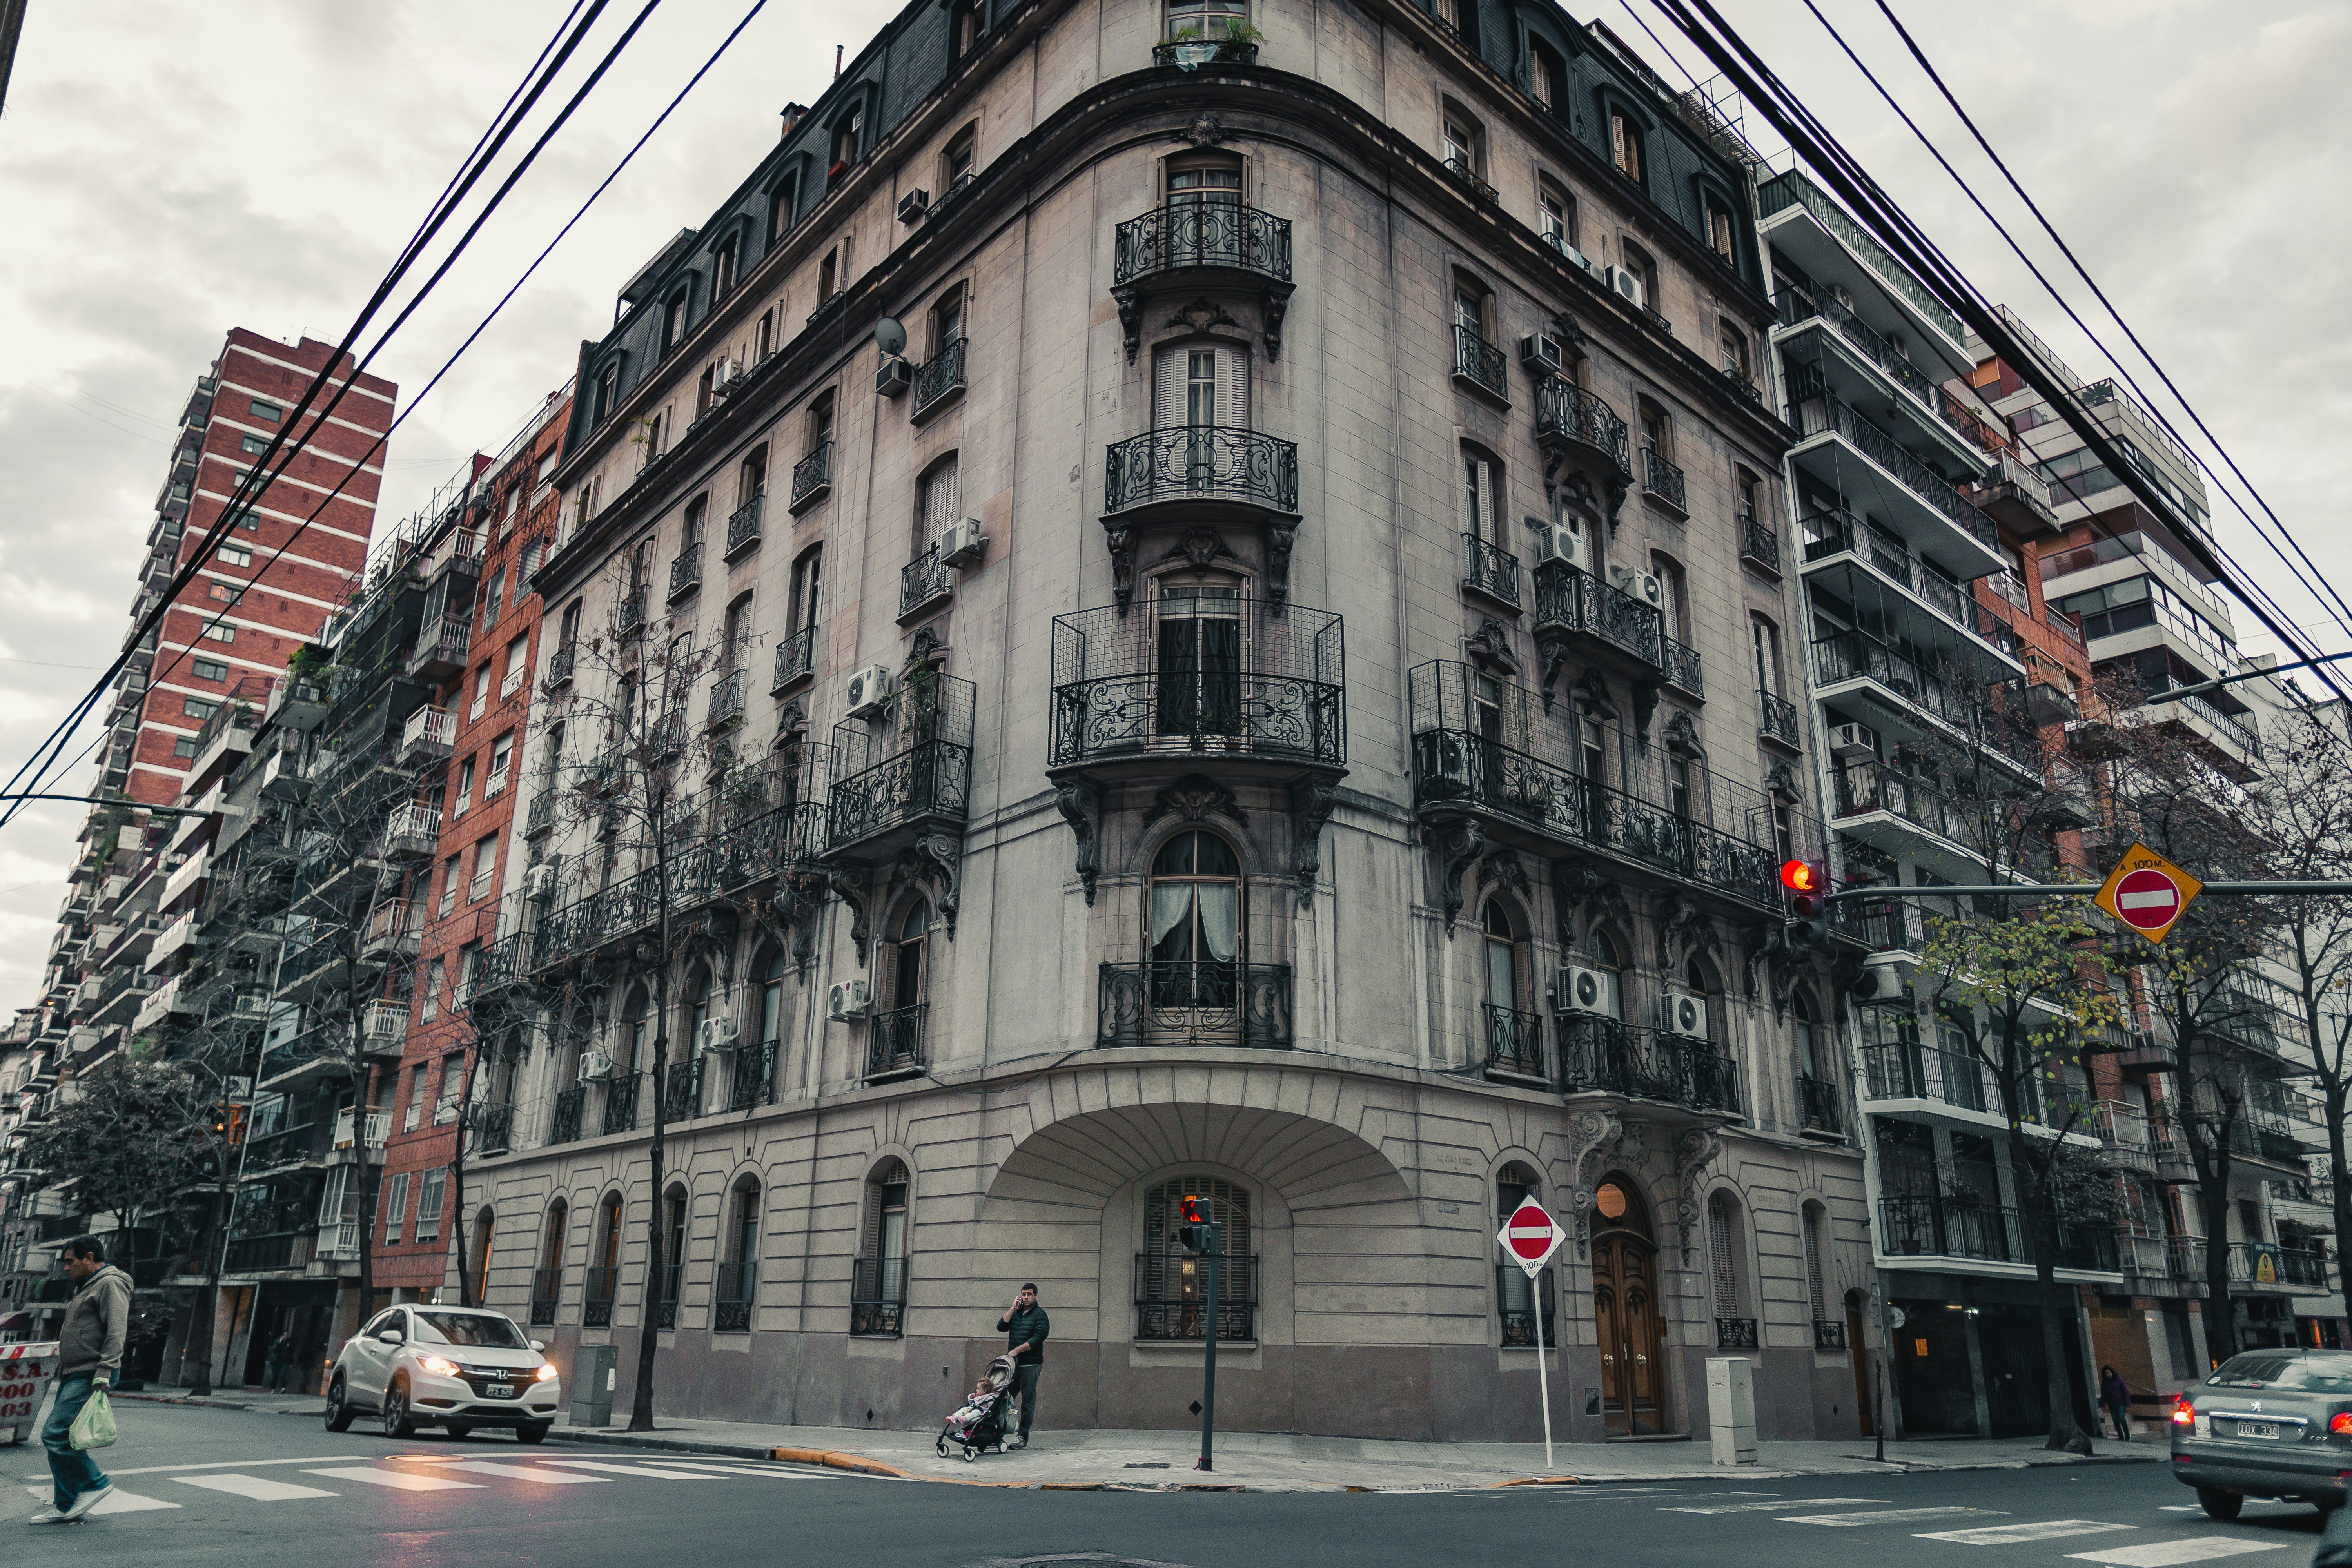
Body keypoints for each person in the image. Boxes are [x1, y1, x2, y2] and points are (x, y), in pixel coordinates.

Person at [31, 1236, 128, 1525]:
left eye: (70, 1262)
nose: (65, 1269)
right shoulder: (88, 1286)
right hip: (75, 1371)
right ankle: (65, 1505)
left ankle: (95, 1483)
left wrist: (105, 1371)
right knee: (66, 1437)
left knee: (55, 1434)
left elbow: (116, 1330)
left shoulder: (110, 1283)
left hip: (92, 1371)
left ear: (89, 1257)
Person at [995, 1283, 1050, 1450]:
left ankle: (1022, 1437)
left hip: (1031, 1366)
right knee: (1003, 1398)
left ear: (1036, 1296)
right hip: (1014, 1366)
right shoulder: (1017, 1313)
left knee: (1027, 1402)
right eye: (1024, 1294)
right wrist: (1013, 1308)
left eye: (1029, 1294)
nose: (1026, 1297)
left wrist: (1016, 1351)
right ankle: (997, 1433)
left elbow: (1038, 1338)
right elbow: (1001, 1327)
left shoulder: (1041, 1316)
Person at [2100, 1365, 2133, 1442]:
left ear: (2111, 1372)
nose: (2108, 1375)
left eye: (2109, 1372)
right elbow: (2104, 1394)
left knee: (2121, 1418)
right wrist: (2102, 1404)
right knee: (2115, 1420)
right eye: (2106, 1374)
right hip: (2112, 1404)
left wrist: (2127, 1402)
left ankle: (2127, 1435)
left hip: (2121, 1403)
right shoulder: (2105, 1383)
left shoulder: (2119, 1380)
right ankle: (2121, 1436)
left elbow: (2126, 1392)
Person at [265, 1327, 296, 1395]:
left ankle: (283, 1388)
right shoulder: (277, 1341)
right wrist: (280, 1342)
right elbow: (274, 1349)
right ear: (282, 1335)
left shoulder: (289, 1342)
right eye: (284, 1335)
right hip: (276, 1361)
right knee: (275, 1375)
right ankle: (273, 1389)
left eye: (287, 1335)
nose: (286, 1336)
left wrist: (291, 1362)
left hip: (285, 1361)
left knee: (283, 1374)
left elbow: (291, 1352)